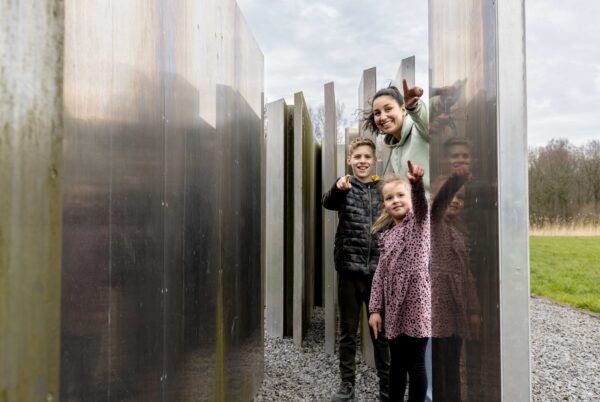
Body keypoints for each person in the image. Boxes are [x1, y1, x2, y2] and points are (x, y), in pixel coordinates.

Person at [322, 137, 390, 402]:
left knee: (380, 333)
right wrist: (338, 187)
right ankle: (347, 383)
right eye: (357, 157)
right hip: (349, 271)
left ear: (375, 160)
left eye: (367, 157)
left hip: (377, 273)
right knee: (348, 331)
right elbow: (327, 202)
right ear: (349, 160)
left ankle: (387, 386)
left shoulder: (383, 188)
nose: (362, 161)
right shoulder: (345, 186)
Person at [368, 161, 430, 402]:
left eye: (401, 195)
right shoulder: (387, 237)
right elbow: (380, 275)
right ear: (384, 204)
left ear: (410, 198)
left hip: (417, 306)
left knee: (416, 363)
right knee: (397, 364)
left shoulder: (418, 224)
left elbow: (422, 206)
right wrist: (375, 309)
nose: (395, 200)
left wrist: (416, 184)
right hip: (394, 308)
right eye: (389, 197)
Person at [430, 165, 481, 401]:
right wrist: (456, 180)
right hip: (434, 312)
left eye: (461, 198)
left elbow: (467, 275)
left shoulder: (460, 233)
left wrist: (474, 311)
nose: (455, 200)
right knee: (436, 366)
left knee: (452, 365)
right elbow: (439, 203)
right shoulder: (431, 224)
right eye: (452, 195)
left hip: (456, 311)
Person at [363, 80, 430, 196]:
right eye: (377, 113)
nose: (382, 117)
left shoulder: (420, 129)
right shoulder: (394, 151)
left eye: (388, 109)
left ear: (403, 110)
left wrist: (414, 107)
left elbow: (426, 120)